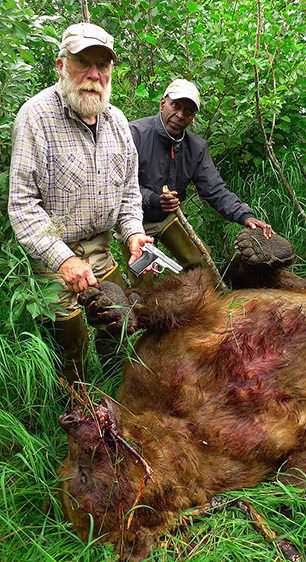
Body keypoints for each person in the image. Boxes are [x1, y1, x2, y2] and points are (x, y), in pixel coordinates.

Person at [8, 22, 153, 382]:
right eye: (82, 62)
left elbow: (129, 194)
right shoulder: (36, 117)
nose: (93, 74)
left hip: (101, 253)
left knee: (119, 325)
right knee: (71, 347)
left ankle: (117, 395)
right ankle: (76, 407)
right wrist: (65, 260)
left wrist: (133, 234)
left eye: (102, 66)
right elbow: (23, 206)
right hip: (53, 261)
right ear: (61, 66)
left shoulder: (117, 122)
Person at [124, 78, 274, 282]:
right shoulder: (134, 134)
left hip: (170, 217)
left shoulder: (195, 148)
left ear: (192, 118)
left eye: (188, 112)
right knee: (143, 281)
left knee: (201, 267)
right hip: (135, 220)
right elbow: (120, 185)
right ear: (162, 104)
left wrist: (245, 216)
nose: (179, 115)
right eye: (175, 106)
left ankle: (203, 309)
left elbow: (215, 190)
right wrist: (153, 199)